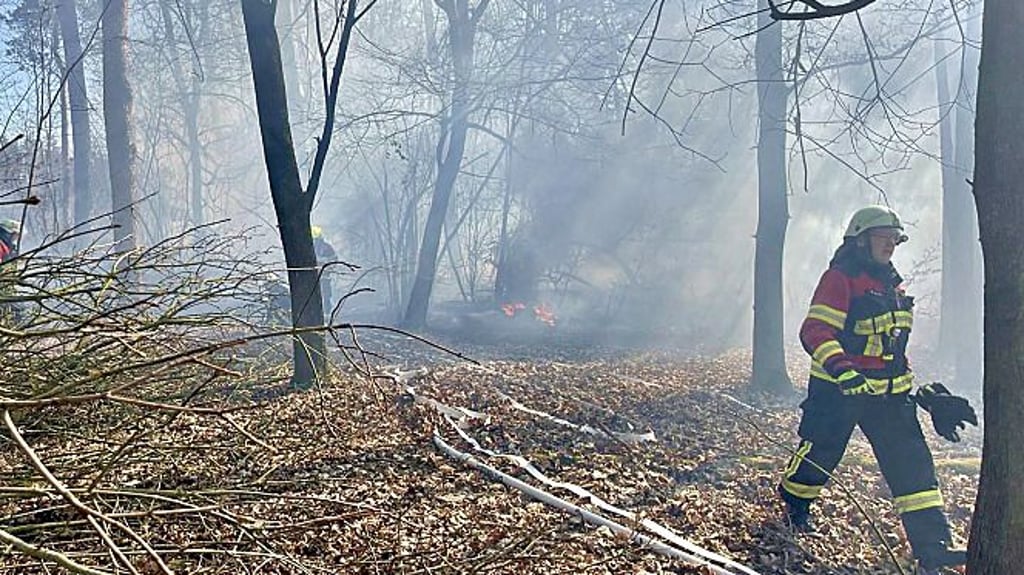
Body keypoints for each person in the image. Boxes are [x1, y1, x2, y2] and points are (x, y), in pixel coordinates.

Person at [778, 205, 974, 575]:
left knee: (913, 467)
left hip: (889, 399)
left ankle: (934, 548)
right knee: (821, 455)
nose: (891, 244)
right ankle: (795, 504)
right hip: (840, 394)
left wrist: (925, 394)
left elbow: (892, 348)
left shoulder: (892, 285)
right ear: (860, 240)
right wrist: (843, 371)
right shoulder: (839, 279)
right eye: (884, 237)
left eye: (895, 238)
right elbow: (815, 331)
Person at [311, 225, 338, 316]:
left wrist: (326, 267)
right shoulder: (308, 247)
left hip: (324, 277)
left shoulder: (326, 248)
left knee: (326, 296)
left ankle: (327, 314)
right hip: (312, 278)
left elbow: (334, 260)